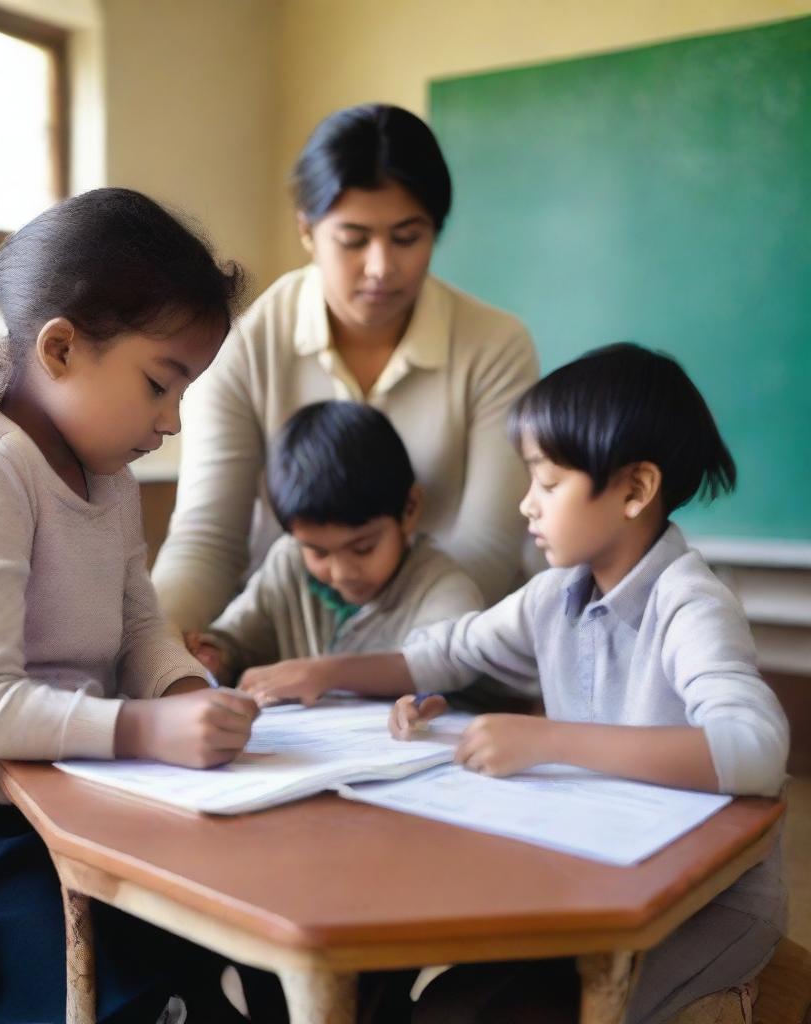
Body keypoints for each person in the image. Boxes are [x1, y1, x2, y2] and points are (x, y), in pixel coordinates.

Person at [0, 188, 261, 1024]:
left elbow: (142, 625)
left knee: (215, 939)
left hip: (60, 793)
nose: (171, 421)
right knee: (119, 993)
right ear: (61, 348)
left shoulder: (105, 474)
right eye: (159, 383)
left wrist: (185, 694)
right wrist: (146, 729)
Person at [301, 343, 790, 1023]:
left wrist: (549, 740)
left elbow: (756, 749)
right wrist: (318, 674)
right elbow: (442, 652)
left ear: (635, 490)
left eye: (548, 483)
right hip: (601, 871)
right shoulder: (556, 594)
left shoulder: (689, 601)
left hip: (707, 901)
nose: (526, 505)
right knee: (436, 1002)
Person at [152, 103, 538, 632]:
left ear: (436, 230)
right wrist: (160, 651)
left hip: (448, 645)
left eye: (407, 237)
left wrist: (362, 664)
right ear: (307, 230)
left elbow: (487, 550)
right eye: (353, 239)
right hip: (285, 643)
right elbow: (208, 538)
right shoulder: (245, 344)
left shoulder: (495, 345)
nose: (381, 266)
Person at [187, 400, 484, 704]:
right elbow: (237, 640)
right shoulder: (288, 563)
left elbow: (451, 661)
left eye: (363, 548)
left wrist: (326, 673)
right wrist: (215, 658)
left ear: (409, 510)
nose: (341, 573)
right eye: (318, 552)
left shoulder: (441, 585)